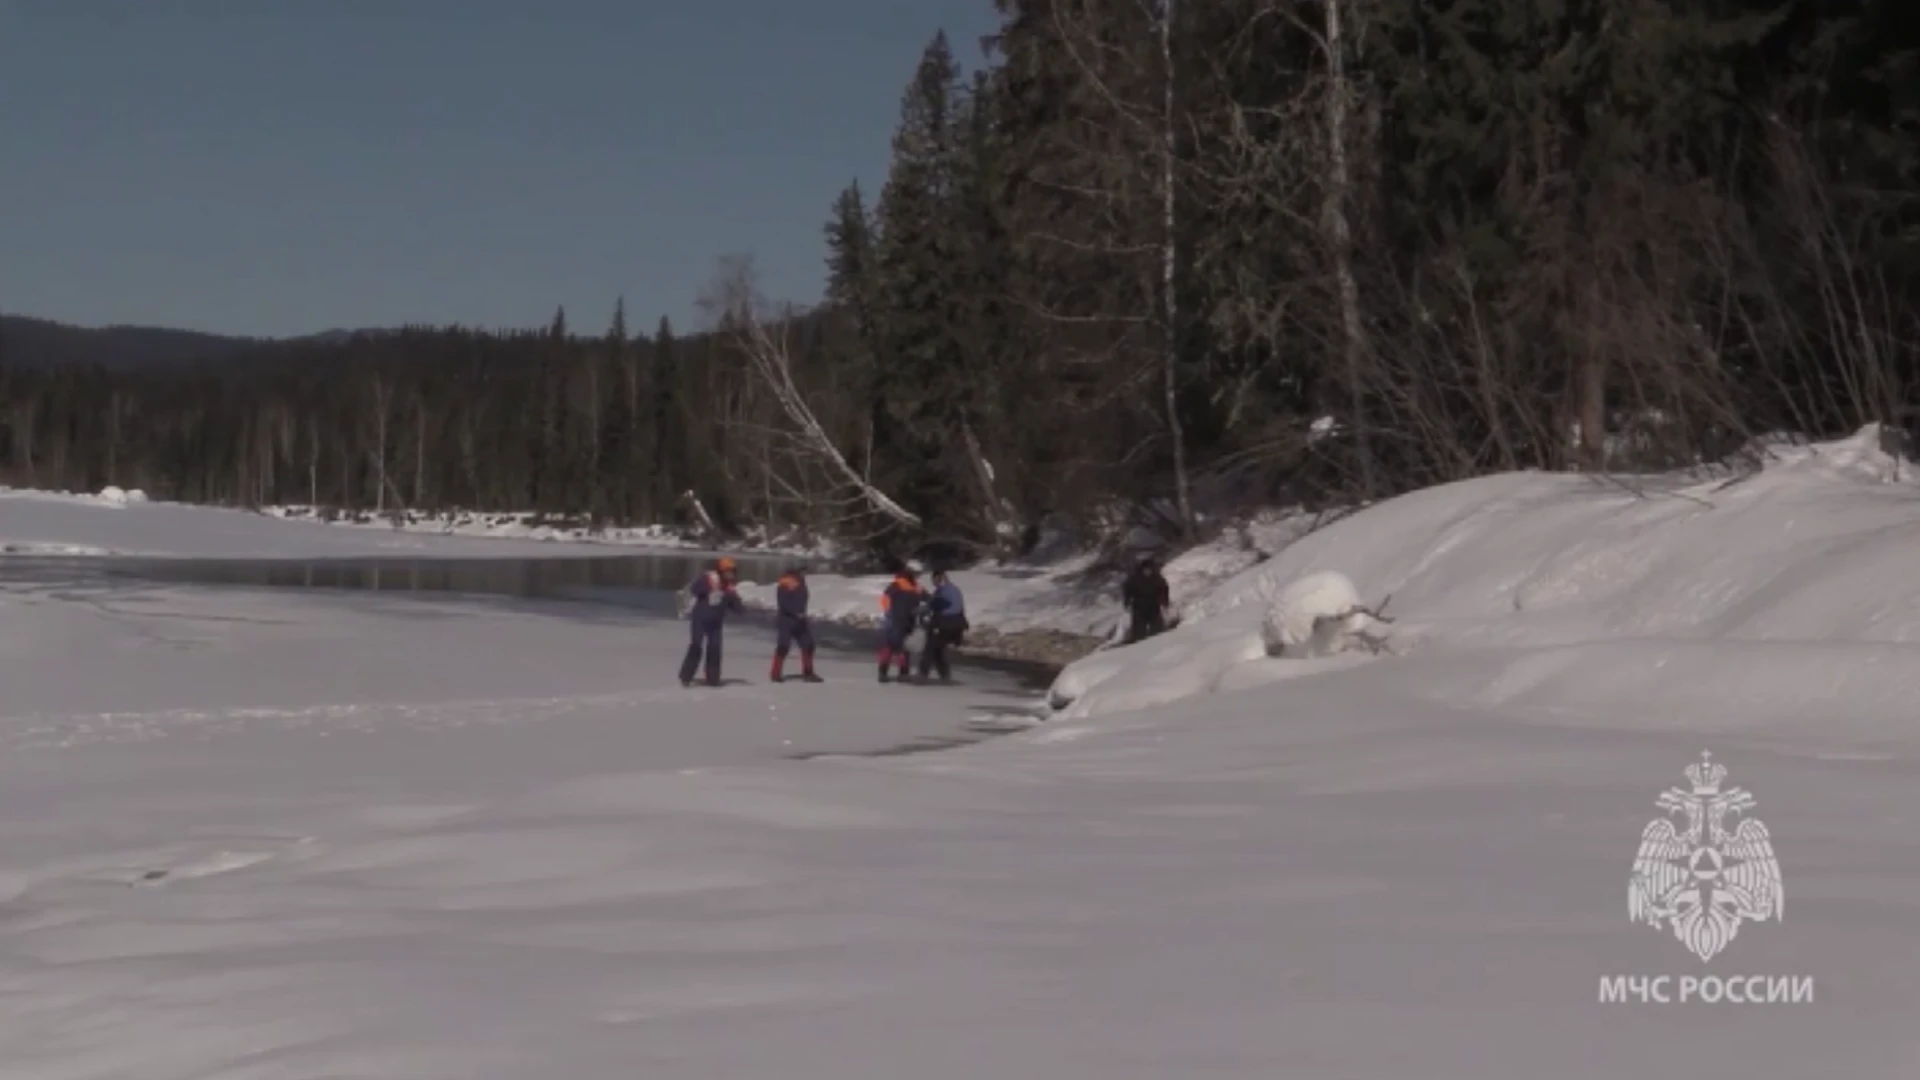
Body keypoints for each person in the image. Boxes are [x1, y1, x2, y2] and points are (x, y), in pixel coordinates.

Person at [679, 556, 743, 687]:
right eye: (727, 571)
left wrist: (738, 605)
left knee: (715, 649)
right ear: (721, 571)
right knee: (696, 646)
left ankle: (713, 678)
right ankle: (686, 676)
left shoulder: (729, 588)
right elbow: (695, 589)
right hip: (700, 619)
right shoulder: (709, 578)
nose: (729, 574)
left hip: (716, 623)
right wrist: (710, 589)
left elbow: (736, 606)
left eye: (732, 571)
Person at [769, 566, 822, 683]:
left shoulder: (801, 584)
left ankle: (808, 672)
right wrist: (796, 613)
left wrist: (802, 614)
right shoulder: (784, 585)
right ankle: (775, 673)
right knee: (783, 646)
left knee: (808, 645)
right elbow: (783, 604)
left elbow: (803, 601)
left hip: (800, 621)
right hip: (786, 621)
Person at [917, 569, 968, 683]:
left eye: (934, 580)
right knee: (938, 649)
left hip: (944, 624)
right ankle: (944, 674)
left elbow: (937, 604)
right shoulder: (953, 589)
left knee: (930, 648)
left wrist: (923, 607)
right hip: (954, 624)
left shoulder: (944, 591)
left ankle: (923, 674)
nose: (933, 583)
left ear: (938, 578)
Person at [875, 566, 922, 682]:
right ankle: (903, 673)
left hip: (893, 620)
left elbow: (884, 600)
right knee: (903, 648)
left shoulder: (895, 585)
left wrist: (888, 612)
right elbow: (922, 601)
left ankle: (883, 672)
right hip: (907, 621)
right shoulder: (915, 587)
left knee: (888, 646)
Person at [1120, 555, 1172, 645]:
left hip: (1153, 605)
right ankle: (1136, 643)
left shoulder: (1157, 578)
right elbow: (1127, 589)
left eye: (1149, 569)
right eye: (1145, 569)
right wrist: (1127, 601)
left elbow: (1164, 588)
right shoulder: (1135, 578)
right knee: (1139, 631)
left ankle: (1159, 644)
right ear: (1141, 569)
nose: (1147, 571)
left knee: (1157, 629)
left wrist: (1165, 601)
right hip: (1139, 606)